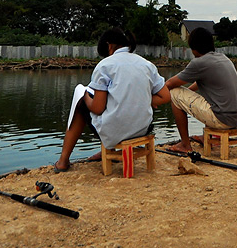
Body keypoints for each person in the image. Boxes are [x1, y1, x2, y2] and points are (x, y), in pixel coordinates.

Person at [53, 27, 170, 172]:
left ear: (109, 46)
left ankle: (63, 161)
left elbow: (97, 108)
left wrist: (85, 96)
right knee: (114, 103)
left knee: (81, 105)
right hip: (143, 129)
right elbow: (165, 97)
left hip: (116, 131)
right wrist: (144, 99)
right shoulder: (146, 64)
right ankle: (109, 151)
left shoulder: (105, 65)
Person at [165, 27, 237, 153]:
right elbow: (200, 82)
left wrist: (155, 97)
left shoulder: (199, 63)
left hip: (222, 120)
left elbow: (169, 84)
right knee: (211, 95)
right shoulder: (222, 58)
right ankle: (207, 137)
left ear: (194, 48)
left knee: (174, 94)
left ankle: (185, 145)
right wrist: (188, 93)